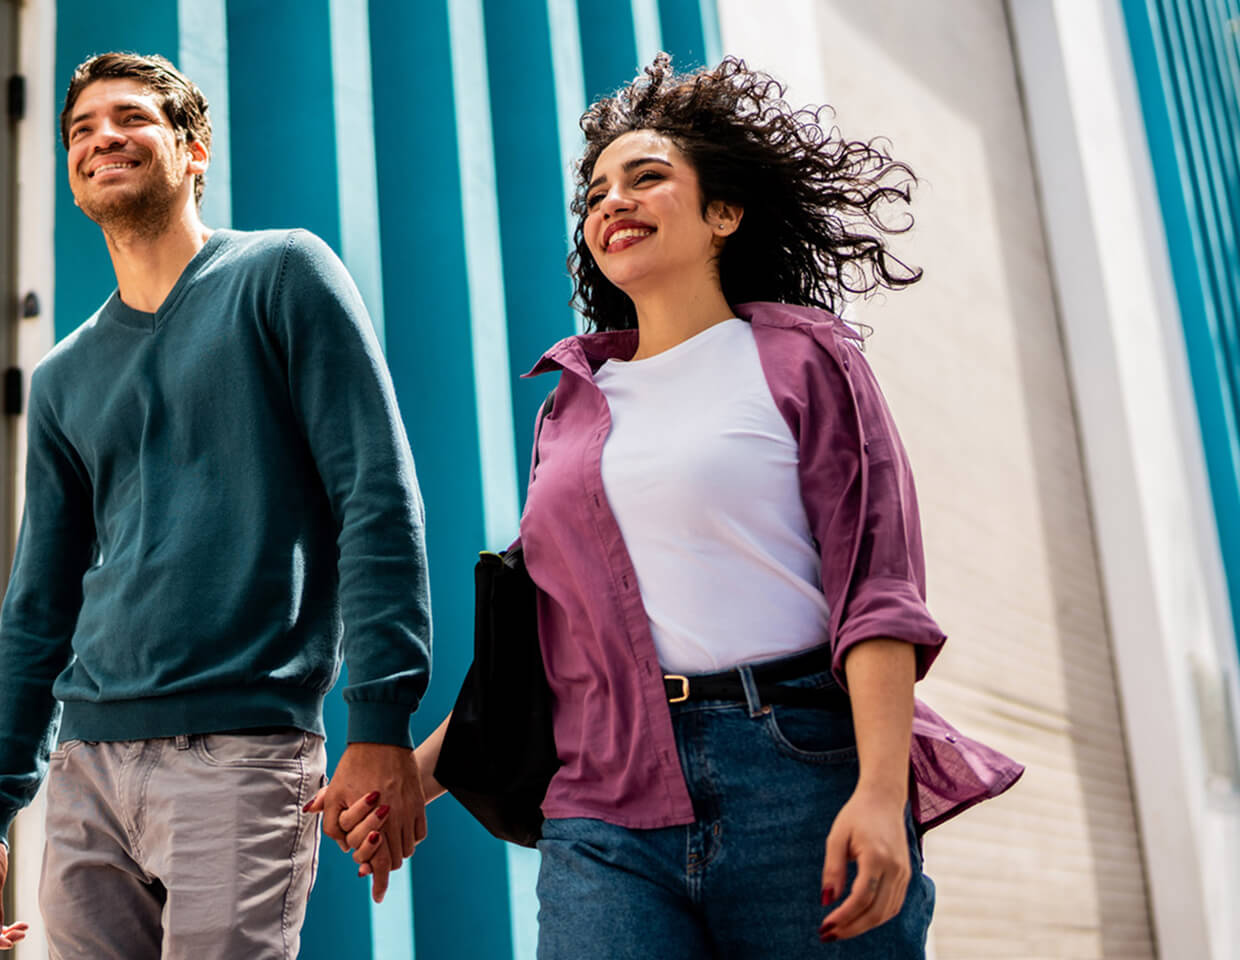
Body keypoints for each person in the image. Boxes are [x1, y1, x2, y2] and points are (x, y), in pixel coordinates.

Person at [323, 54, 1023, 957]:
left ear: (723, 214)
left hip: (795, 773)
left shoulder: (805, 361)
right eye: (596, 191)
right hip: (604, 805)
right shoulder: (571, 404)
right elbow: (547, 642)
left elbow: (877, 594)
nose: (612, 200)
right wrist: (416, 780)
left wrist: (882, 794)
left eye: (646, 178)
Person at [0, 52, 433, 958]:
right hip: (86, 769)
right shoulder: (61, 379)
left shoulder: (283, 275)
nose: (102, 139)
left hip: (242, 749)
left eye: (130, 118)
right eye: (81, 130)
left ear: (193, 148)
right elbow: (38, 605)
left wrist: (380, 719)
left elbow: (375, 496)